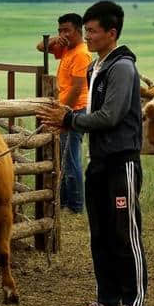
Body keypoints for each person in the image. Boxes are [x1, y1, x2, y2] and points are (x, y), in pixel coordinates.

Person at [36, 1, 147, 306]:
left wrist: (69, 120)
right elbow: (91, 112)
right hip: (98, 158)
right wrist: (69, 116)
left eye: (93, 31)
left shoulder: (122, 68)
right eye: (87, 30)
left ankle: (134, 302)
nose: (88, 36)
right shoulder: (95, 66)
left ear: (112, 33)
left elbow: (110, 116)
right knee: (99, 231)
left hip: (121, 161)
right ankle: (108, 299)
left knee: (125, 230)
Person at [36, 13, 91, 214]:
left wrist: (61, 112)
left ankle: (75, 206)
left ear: (79, 31)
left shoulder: (81, 53)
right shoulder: (67, 49)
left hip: (74, 110)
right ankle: (66, 202)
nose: (63, 34)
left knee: (71, 159)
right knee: (64, 157)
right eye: (60, 30)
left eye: (67, 30)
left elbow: (77, 88)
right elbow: (40, 47)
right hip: (67, 109)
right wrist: (54, 40)